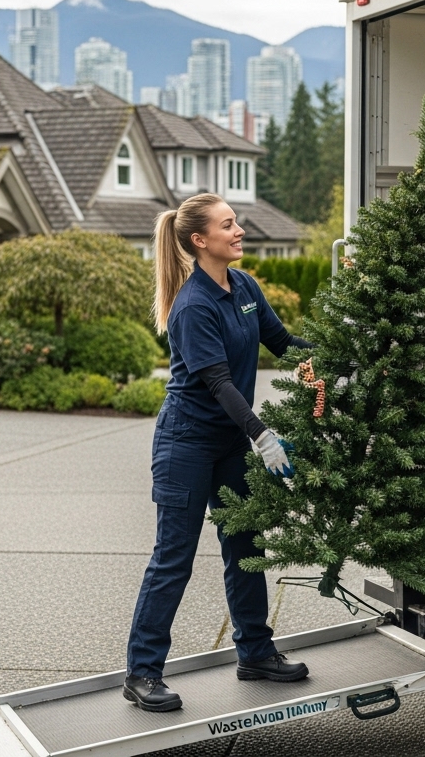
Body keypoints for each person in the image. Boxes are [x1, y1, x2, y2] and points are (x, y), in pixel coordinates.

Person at [123, 193, 312, 713]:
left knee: (245, 544)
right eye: (228, 225)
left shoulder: (245, 286)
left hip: (229, 442)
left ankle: (254, 651)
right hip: (186, 443)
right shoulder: (193, 304)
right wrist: (262, 434)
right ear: (199, 240)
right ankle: (142, 673)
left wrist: (338, 352)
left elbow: (280, 340)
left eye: (237, 223)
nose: (240, 230)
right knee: (173, 558)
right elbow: (218, 382)